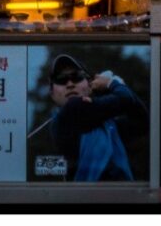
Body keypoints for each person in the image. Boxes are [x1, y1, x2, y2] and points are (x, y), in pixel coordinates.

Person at [46, 53, 145, 181]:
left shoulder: (108, 126)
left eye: (77, 77)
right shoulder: (69, 113)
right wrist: (113, 84)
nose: (70, 84)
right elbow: (125, 98)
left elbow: (143, 122)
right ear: (52, 94)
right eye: (60, 79)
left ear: (90, 85)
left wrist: (116, 88)